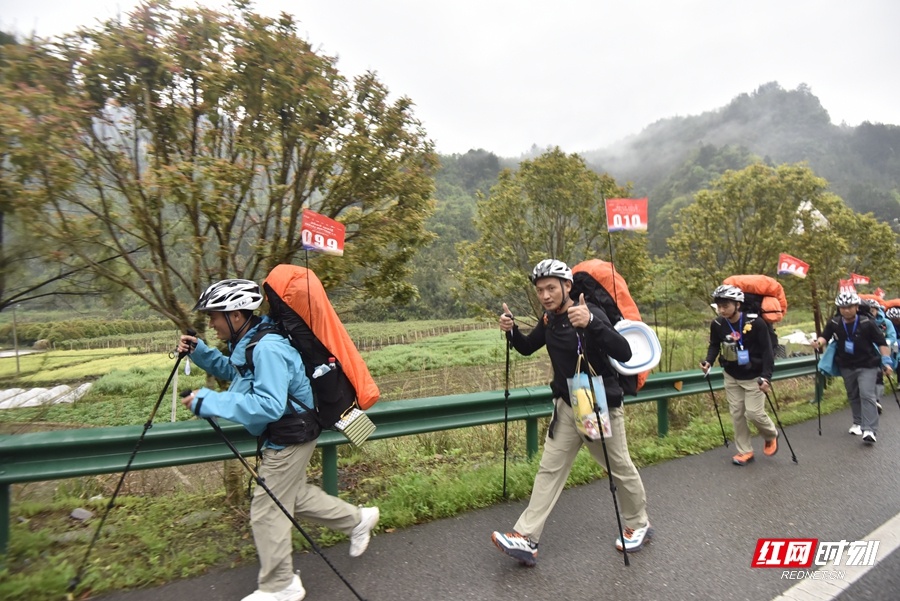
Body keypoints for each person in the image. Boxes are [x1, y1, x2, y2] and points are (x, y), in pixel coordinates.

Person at [177, 279, 379, 601]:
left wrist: (209, 402)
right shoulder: (252, 341)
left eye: (214, 315)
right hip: (292, 430)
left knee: (267, 508)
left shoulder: (267, 347)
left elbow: (268, 405)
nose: (211, 323)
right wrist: (200, 352)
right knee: (291, 497)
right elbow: (237, 372)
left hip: (290, 435)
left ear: (236, 315)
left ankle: (281, 585)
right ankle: (358, 520)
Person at [490, 259, 652, 566]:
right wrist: (512, 331)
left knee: (618, 466)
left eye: (551, 288)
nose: (546, 295)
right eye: (540, 290)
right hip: (566, 405)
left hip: (594, 403)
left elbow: (624, 351)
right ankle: (526, 537)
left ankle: (639, 524)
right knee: (550, 469)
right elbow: (527, 347)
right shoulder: (550, 319)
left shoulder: (588, 312)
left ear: (567, 286)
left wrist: (591, 322)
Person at [700, 284, 779, 466]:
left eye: (726, 305)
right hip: (731, 375)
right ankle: (745, 451)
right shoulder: (718, 324)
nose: (722, 310)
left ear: (738, 304)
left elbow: (768, 352)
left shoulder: (755, 323)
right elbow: (714, 345)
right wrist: (709, 361)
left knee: (754, 413)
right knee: (737, 414)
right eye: (719, 306)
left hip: (754, 376)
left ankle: (771, 434)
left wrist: (766, 376)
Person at [812, 292, 893, 444]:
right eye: (842, 307)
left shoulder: (867, 323)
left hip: (867, 364)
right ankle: (858, 422)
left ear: (856, 307)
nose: (846, 310)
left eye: (849, 307)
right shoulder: (835, 323)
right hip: (846, 365)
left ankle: (869, 429)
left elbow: (882, 343)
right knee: (853, 394)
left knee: (866, 394)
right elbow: (825, 337)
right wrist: (818, 343)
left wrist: (886, 362)